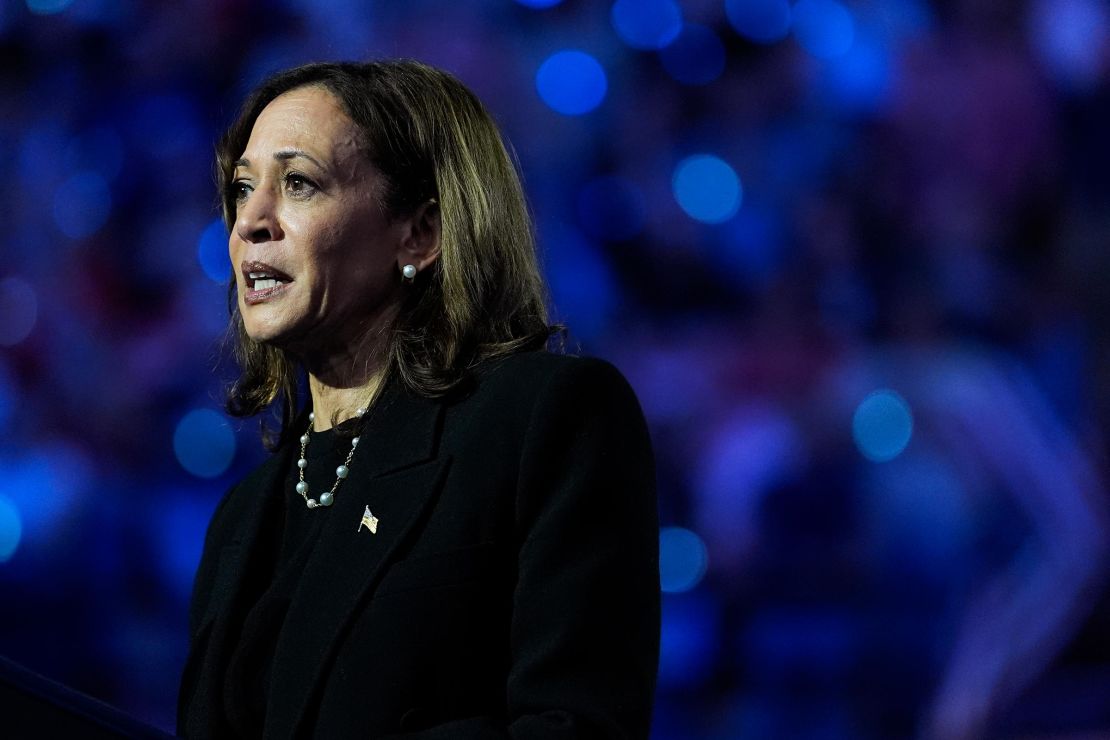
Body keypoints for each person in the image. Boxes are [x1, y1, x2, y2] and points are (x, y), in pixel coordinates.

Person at [176, 60, 660, 739]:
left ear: (420, 234)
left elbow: (572, 724)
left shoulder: (542, 419)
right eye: (242, 188)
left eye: (299, 184)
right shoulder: (241, 517)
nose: (250, 222)